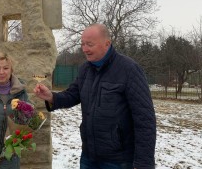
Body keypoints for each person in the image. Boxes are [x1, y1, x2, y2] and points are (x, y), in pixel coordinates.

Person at [34, 23, 156, 169]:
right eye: (83, 44)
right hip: (89, 156)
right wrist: (52, 97)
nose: (84, 49)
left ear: (107, 43)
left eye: (89, 44)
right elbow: (72, 95)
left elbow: (145, 119)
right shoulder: (85, 69)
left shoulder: (129, 70)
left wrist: (144, 163)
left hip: (119, 160)